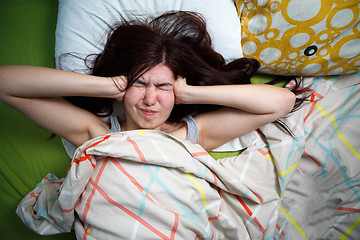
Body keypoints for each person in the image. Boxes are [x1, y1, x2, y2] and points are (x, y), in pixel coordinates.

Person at [0, 11, 297, 153]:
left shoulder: (193, 135)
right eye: (139, 85)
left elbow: (282, 101)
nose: (150, 100)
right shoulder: (98, 134)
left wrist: (189, 93)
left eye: (163, 87)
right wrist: (104, 86)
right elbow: (5, 83)